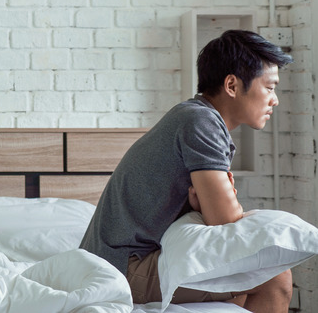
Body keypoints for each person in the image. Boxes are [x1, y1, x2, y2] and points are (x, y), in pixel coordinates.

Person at [80, 30, 294, 311]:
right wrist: (211, 207)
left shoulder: (194, 116)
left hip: (113, 260)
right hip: (118, 269)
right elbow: (225, 220)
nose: (274, 99)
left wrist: (204, 206)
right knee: (273, 276)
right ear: (231, 85)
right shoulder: (201, 122)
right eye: (269, 87)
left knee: (242, 287)